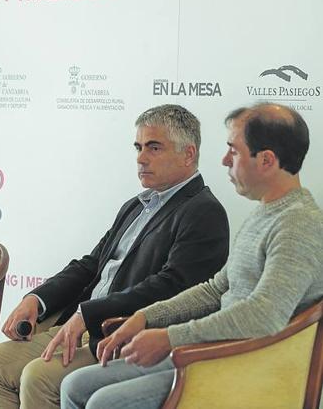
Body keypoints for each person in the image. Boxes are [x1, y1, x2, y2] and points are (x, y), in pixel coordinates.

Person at [60, 103, 323, 409]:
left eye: (233, 152)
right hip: (217, 354)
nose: (224, 160)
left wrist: (170, 337)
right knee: (76, 385)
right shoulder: (265, 214)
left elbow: (262, 316)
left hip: (245, 369)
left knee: (104, 403)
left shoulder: (298, 225)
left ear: (266, 160)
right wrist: (145, 317)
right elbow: (216, 289)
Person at [0, 104, 230, 409]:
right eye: (139, 147)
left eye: (154, 148)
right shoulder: (136, 205)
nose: (141, 158)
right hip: (76, 325)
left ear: (188, 154)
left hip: (118, 337)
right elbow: (91, 265)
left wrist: (89, 314)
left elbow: (171, 288)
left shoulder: (204, 211)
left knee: (38, 377)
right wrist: (37, 299)